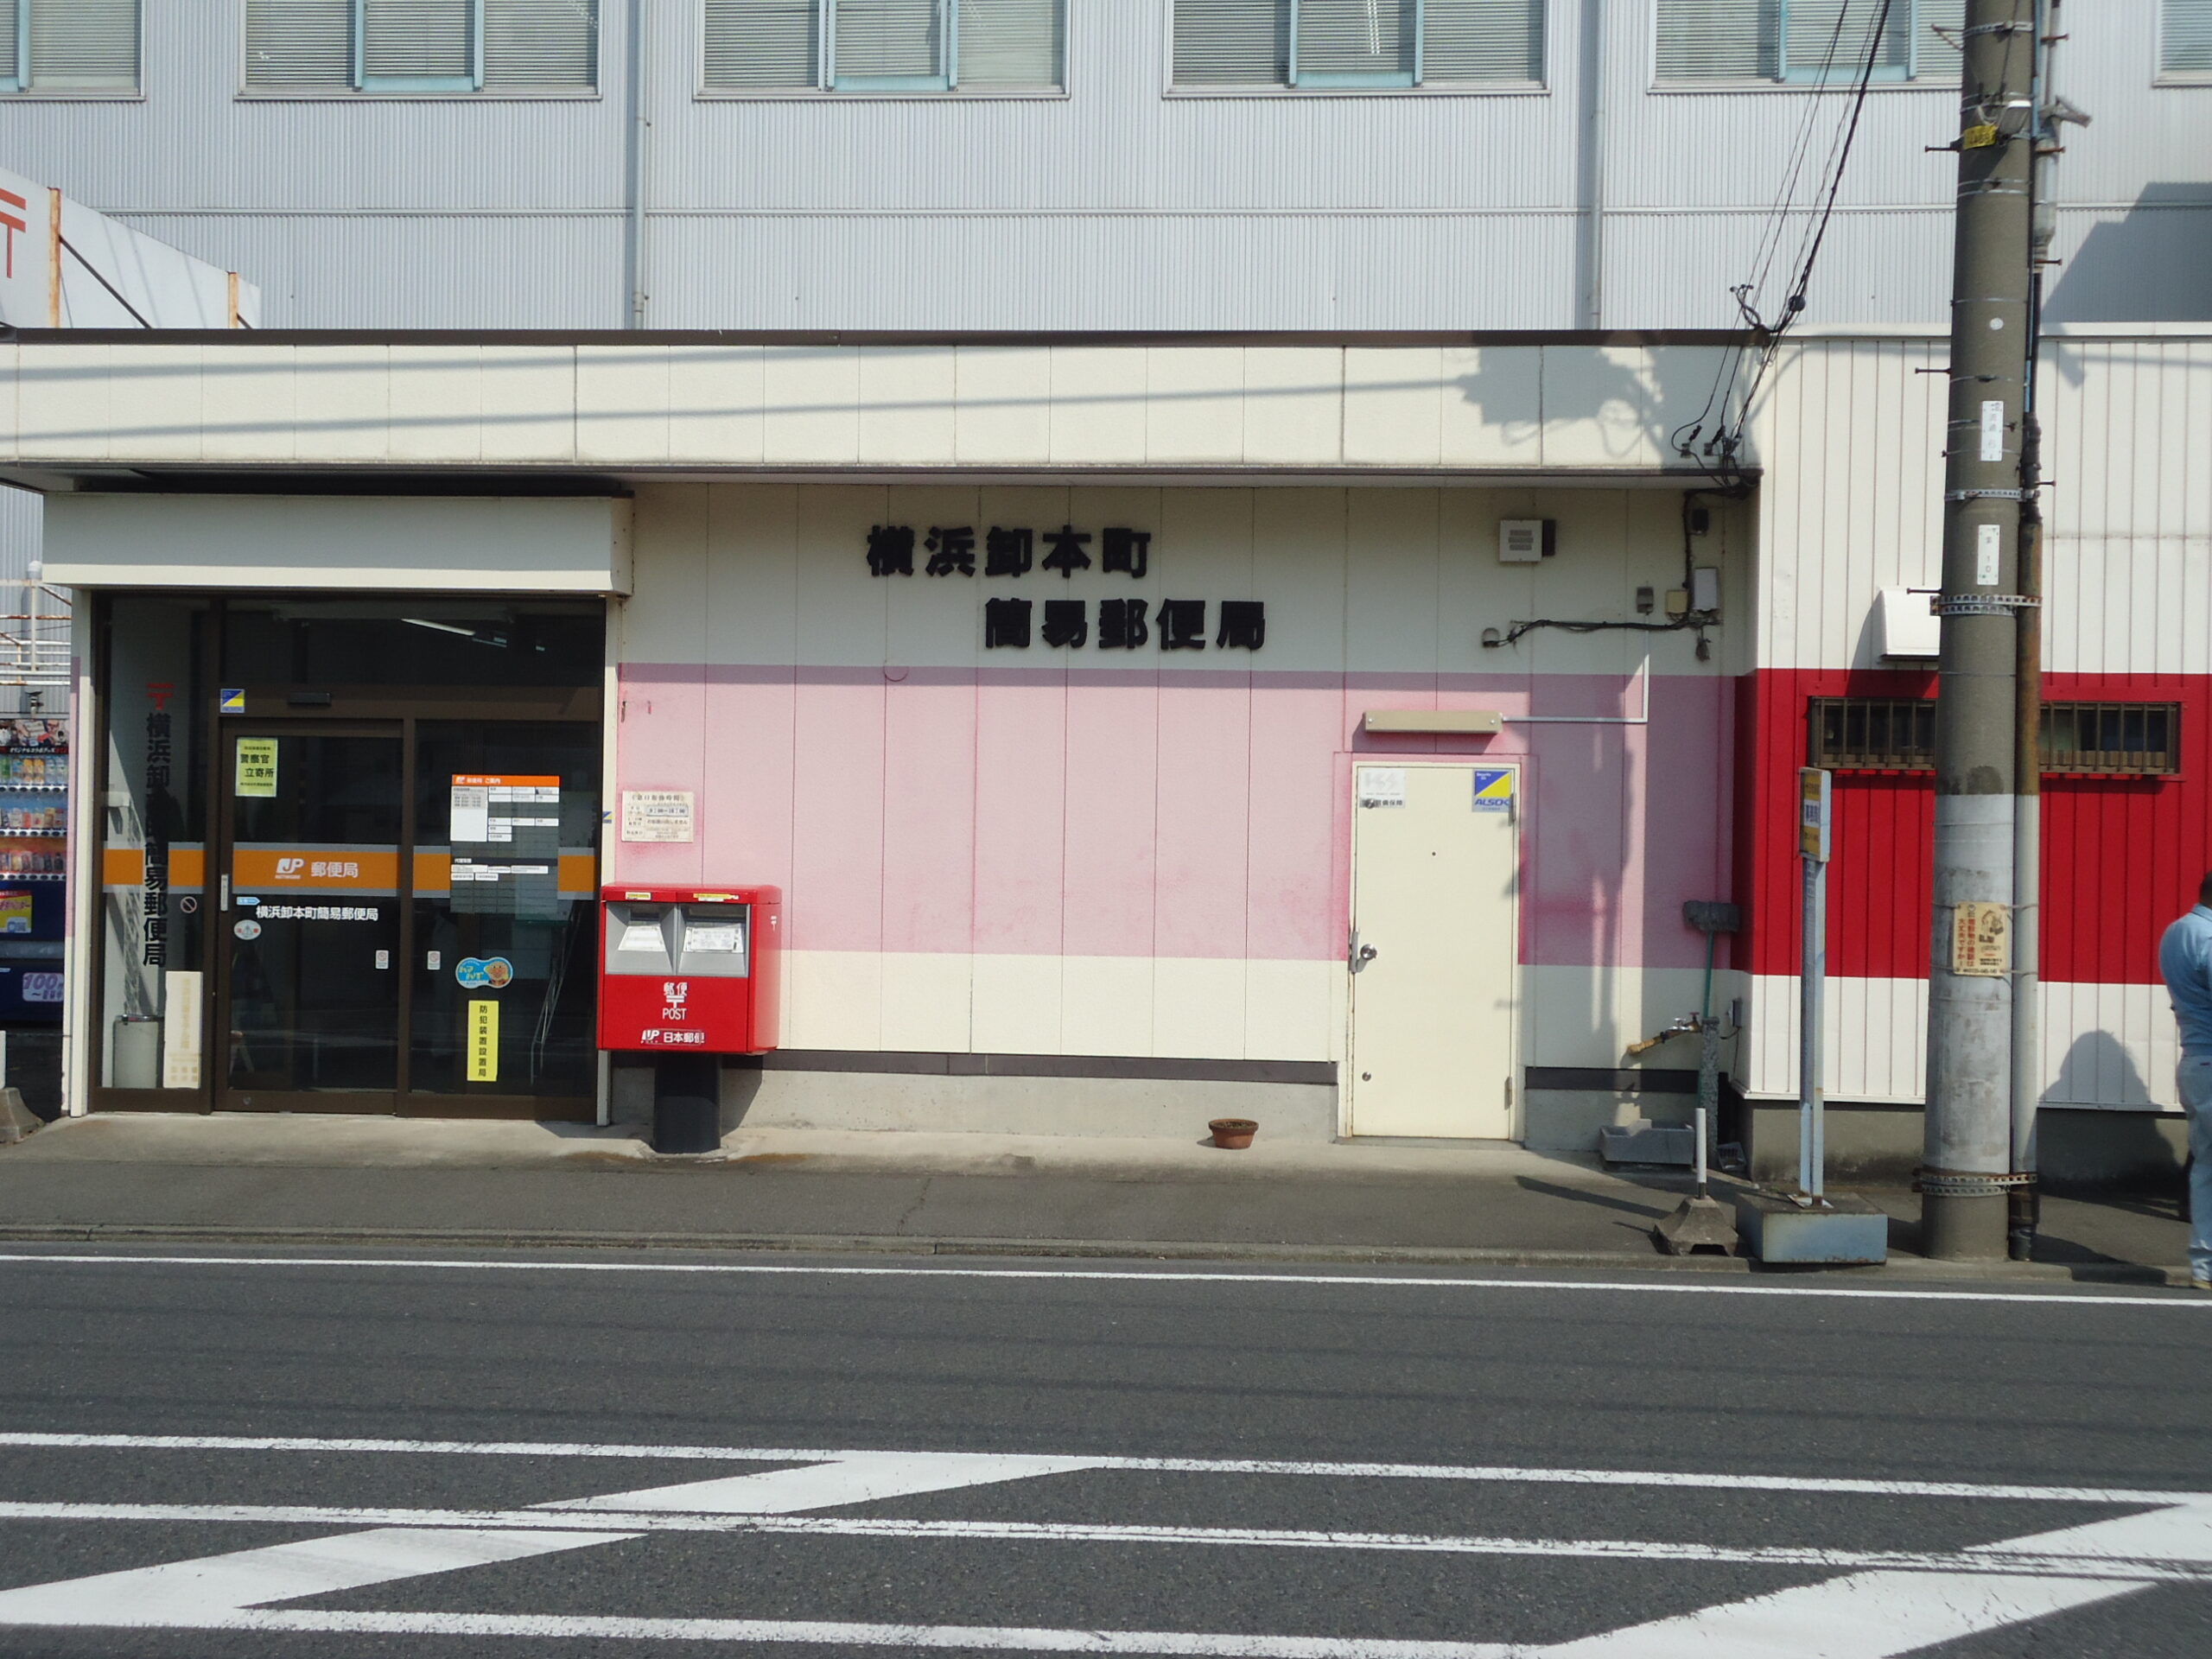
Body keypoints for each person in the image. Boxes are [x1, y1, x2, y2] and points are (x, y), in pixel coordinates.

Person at [2158, 874, 2212, 1290]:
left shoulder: (2176, 932)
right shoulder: (2208, 939)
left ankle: (2204, 1266)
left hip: (2195, 1061)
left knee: (2206, 1169)